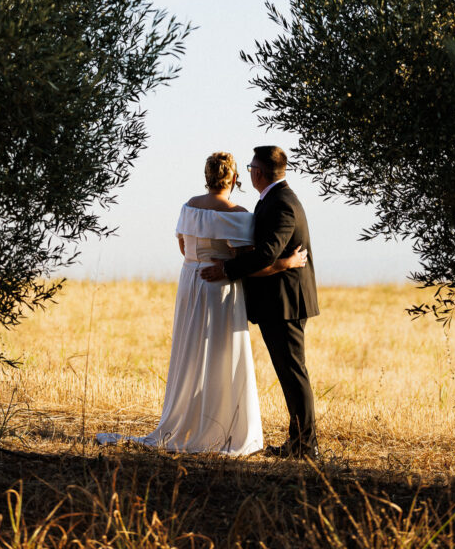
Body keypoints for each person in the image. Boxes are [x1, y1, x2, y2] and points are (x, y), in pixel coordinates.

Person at [96, 151, 306, 455]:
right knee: (220, 354)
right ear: (234, 178)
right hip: (220, 290)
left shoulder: (188, 208)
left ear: (207, 177)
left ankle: (184, 420)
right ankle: (220, 425)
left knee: (190, 349)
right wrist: (287, 263)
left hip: (190, 283)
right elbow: (251, 264)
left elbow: (184, 248)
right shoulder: (237, 214)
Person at [201, 145, 319, 459]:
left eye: (252, 166)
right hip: (278, 301)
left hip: (285, 302)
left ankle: (307, 446)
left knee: (293, 372)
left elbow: (267, 253)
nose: (249, 171)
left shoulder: (281, 203)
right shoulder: (274, 199)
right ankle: (298, 443)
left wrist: (226, 268)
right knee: (288, 372)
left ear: (259, 172)